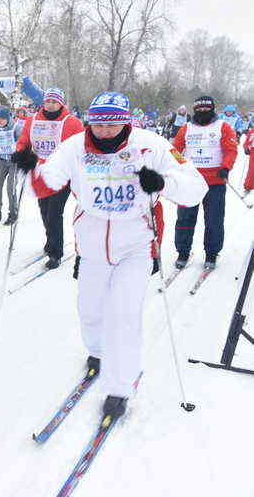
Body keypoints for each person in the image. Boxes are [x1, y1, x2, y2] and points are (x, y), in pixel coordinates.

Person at [14, 92, 207, 421]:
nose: (105, 129)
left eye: (113, 122)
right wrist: (30, 169)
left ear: (127, 120)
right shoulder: (75, 147)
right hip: (90, 246)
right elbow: (47, 183)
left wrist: (163, 182)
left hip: (136, 243)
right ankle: (98, 352)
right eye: (99, 122)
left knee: (123, 316)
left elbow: (195, 187)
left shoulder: (150, 145)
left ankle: (119, 387)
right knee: (89, 310)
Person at [12, 87, 85, 269]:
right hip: (40, 173)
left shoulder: (72, 123)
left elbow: (81, 147)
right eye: (48, 101)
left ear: (61, 103)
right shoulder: (33, 120)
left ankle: (56, 252)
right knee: (44, 210)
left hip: (62, 174)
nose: (51, 105)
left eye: (54, 102)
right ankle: (50, 240)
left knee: (54, 213)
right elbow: (24, 141)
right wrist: (21, 154)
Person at [172, 95, 238, 269]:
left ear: (212, 109)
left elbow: (231, 150)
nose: (202, 112)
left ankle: (211, 253)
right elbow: (174, 150)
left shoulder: (223, 126)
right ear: (194, 110)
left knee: (214, 220)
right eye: (199, 110)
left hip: (215, 181)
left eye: (206, 109)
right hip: (191, 181)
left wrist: (226, 166)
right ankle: (183, 252)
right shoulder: (186, 128)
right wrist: (180, 165)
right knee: (185, 218)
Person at [243, 124, 254, 195]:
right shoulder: (252, 131)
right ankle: (248, 186)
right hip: (253, 151)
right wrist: (246, 147)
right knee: (252, 170)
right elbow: (247, 141)